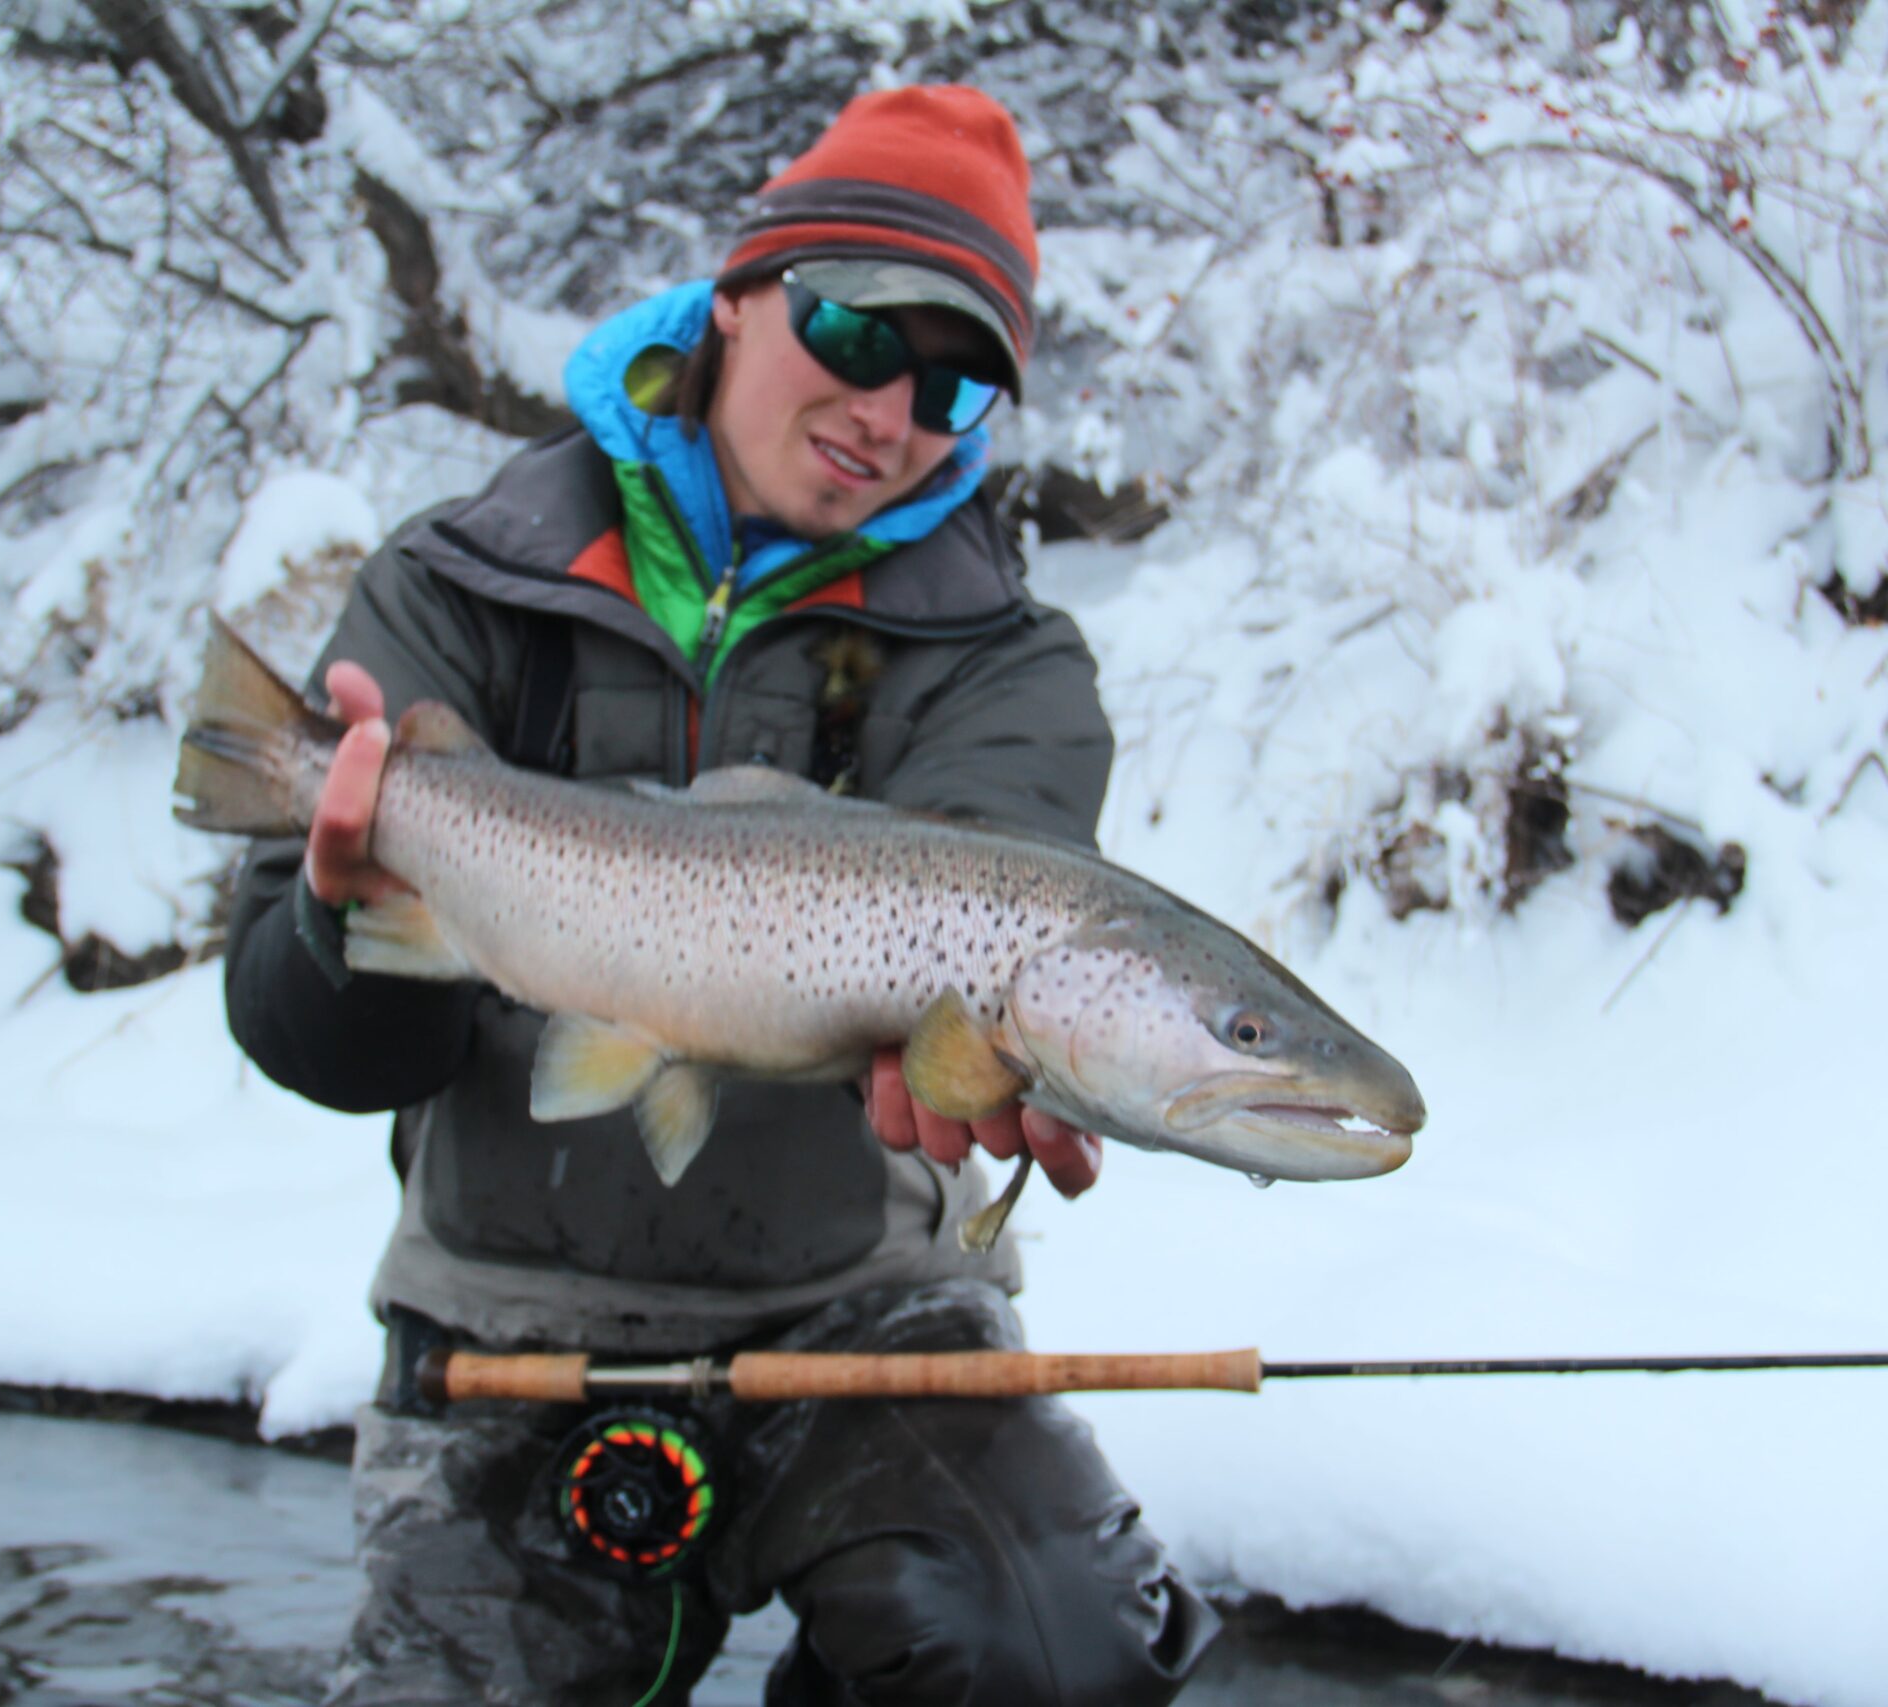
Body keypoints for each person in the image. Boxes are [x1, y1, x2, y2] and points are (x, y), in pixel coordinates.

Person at [221, 85, 1218, 1706]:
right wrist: (345, 913)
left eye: (956, 383)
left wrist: (996, 1065)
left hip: (872, 1322)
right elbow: (315, 1049)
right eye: (855, 329)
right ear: (740, 294)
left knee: (1056, 1655)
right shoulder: (458, 584)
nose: (893, 407)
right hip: (503, 1320)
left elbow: (993, 901)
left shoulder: (1012, 667)